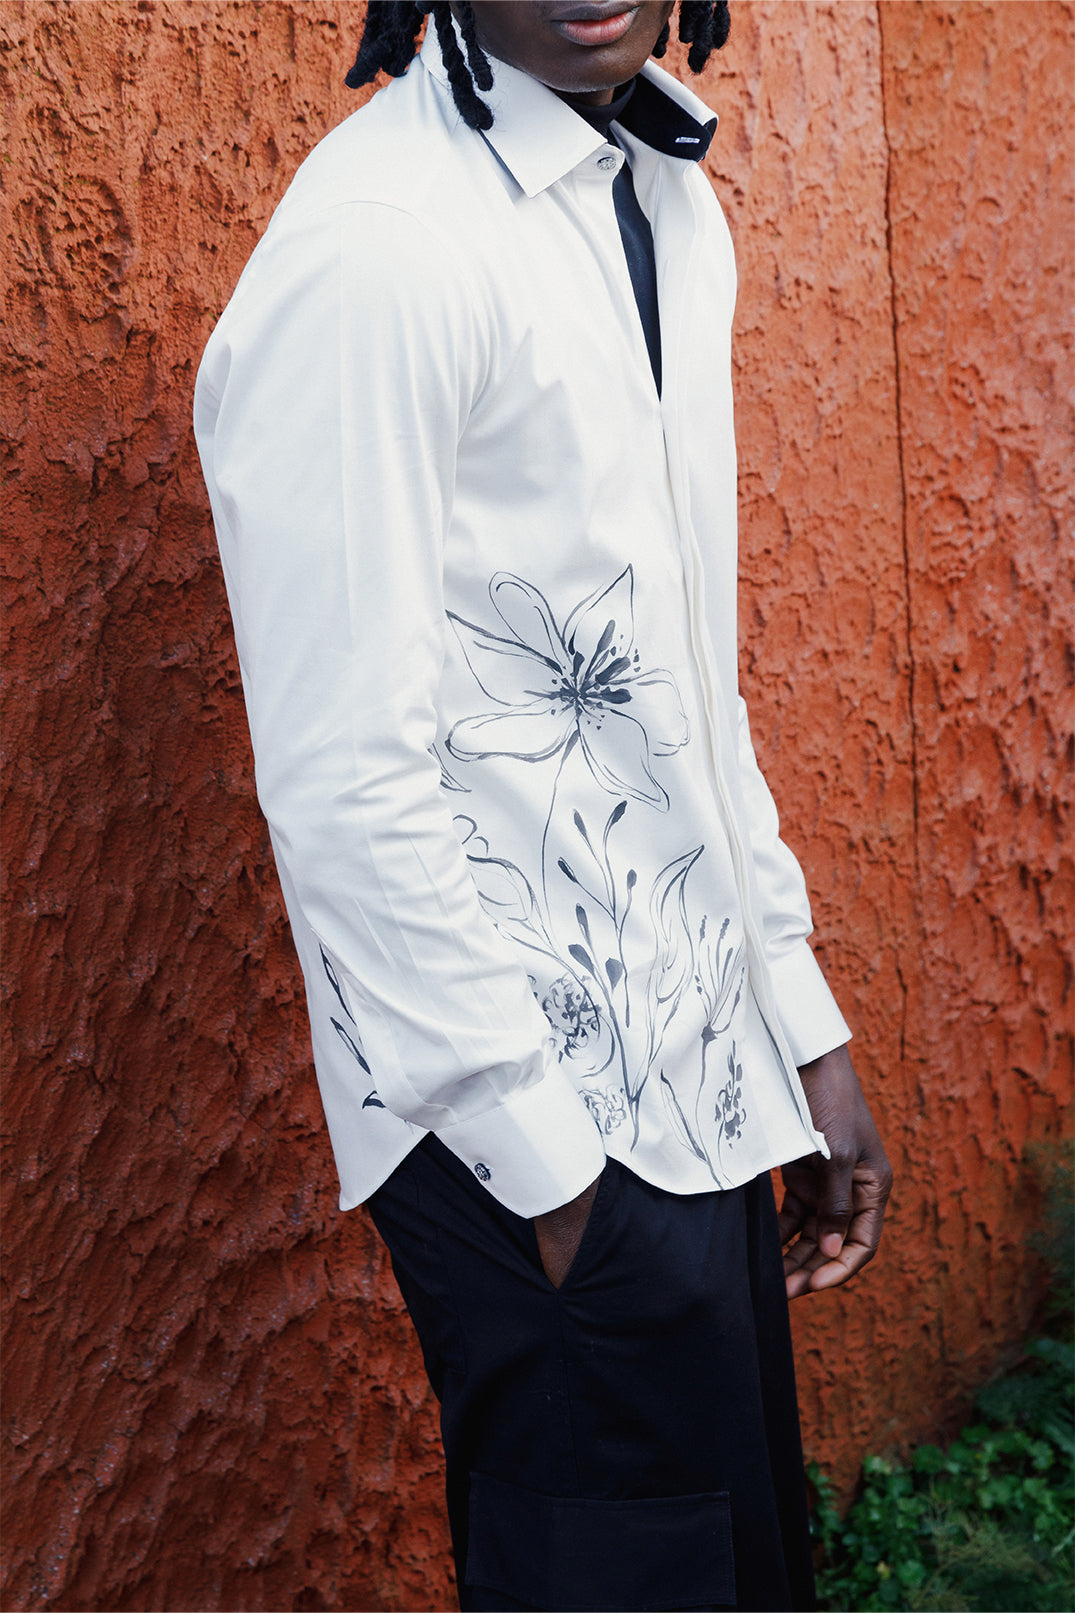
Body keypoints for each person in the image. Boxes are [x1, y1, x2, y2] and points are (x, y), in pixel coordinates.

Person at [194, 3, 893, 1608]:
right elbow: (342, 773)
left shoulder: (666, 200)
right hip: (530, 1122)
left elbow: (681, 679)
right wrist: (547, 1168)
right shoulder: (379, 249)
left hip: (698, 1080)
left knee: (735, 1573)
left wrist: (793, 1018)